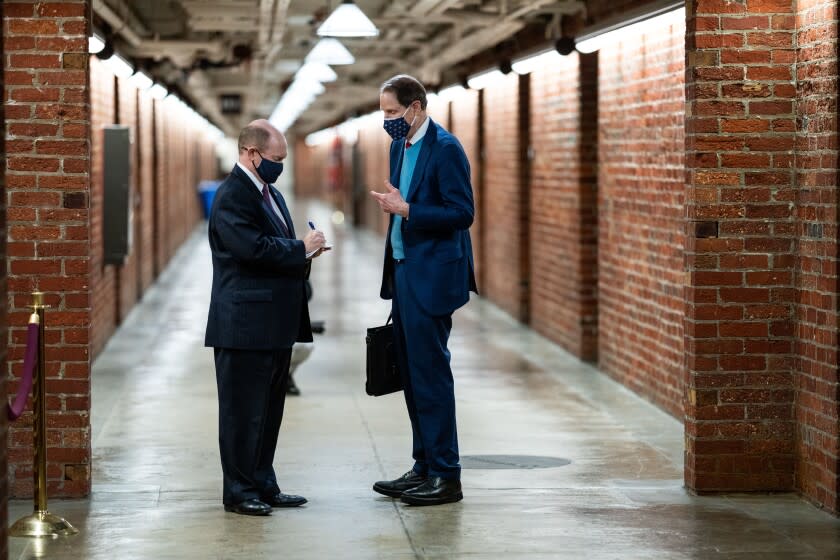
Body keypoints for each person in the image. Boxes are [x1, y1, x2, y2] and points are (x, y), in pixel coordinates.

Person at [205, 119, 328, 516]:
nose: (279, 166)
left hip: (271, 324)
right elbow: (252, 249)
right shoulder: (232, 196)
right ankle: (239, 492)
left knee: (269, 411)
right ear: (251, 153)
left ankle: (263, 483)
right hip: (243, 326)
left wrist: (303, 253)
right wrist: (298, 249)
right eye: (275, 159)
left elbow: (274, 247)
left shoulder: (269, 193)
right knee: (243, 413)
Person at [369, 75, 478, 506]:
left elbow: (461, 213)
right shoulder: (400, 146)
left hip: (432, 276)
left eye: (393, 113)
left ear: (415, 108)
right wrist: (400, 207)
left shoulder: (446, 148)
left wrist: (407, 209)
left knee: (431, 374)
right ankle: (423, 467)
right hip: (403, 272)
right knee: (411, 376)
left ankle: (446, 475)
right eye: (384, 114)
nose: (388, 121)